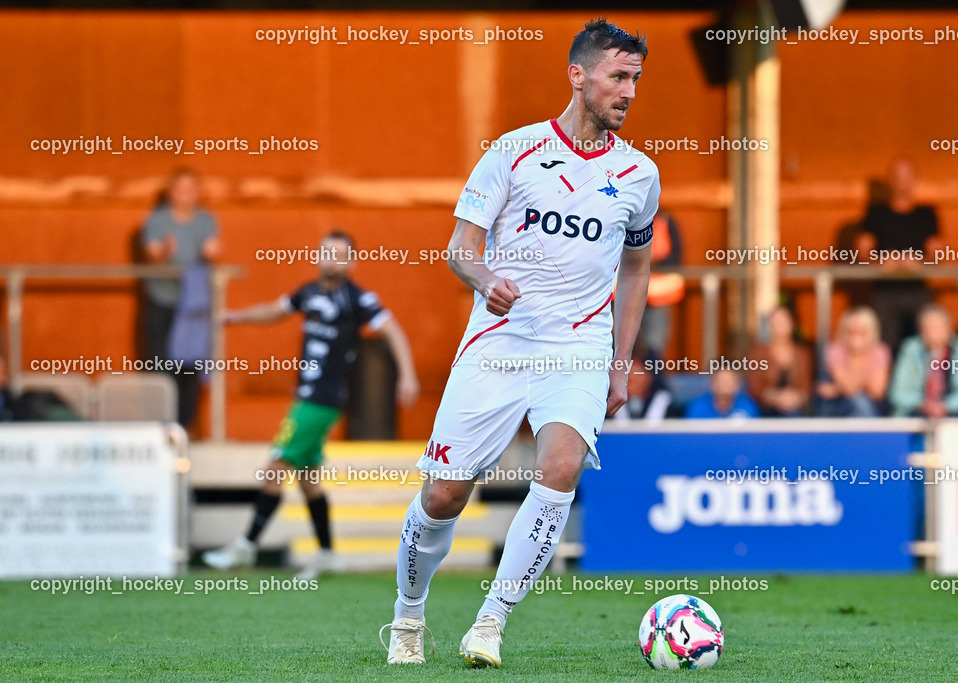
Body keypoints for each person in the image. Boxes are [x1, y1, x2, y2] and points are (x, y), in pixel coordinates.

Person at [380, 19, 659, 668]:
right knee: (445, 494)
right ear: (578, 75)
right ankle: (407, 615)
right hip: (500, 343)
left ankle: (490, 622)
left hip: (579, 349)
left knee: (559, 468)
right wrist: (485, 278)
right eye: (618, 77)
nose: (629, 92)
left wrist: (620, 363)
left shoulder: (641, 175)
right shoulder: (512, 151)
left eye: (636, 80)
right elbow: (460, 249)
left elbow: (638, 267)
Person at [202, 231, 419, 580]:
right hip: (306, 395)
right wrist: (237, 317)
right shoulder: (309, 293)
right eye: (326, 252)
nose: (332, 258)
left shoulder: (357, 299)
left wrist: (407, 376)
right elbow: (274, 311)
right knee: (307, 479)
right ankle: (328, 553)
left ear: (352, 261)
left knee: (276, 464)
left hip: (322, 400)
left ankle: (247, 544)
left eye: (340, 253)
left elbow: (393, 331)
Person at [142, 168, 221, 429]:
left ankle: (186, 424)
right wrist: (166, 250)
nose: (186, 195)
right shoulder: (158, 220)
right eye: (180, 189)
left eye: (191, 189)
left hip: (193, 306)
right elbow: (152, 255)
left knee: (190, 365)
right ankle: (162, 423)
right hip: (163, 300)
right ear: (170, 193)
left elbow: (213, 251)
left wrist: (212, 254)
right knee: (161, 363)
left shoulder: (206, 221)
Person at [855, 160, 943, 353]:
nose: (902, 182)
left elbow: (937, 254)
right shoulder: (876, 213)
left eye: (907, 177)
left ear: (914, 180)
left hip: (917, 290)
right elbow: (862, 253)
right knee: (885, 346)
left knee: (927, 342)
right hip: (885, 291)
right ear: (890, 181)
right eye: (897, 177)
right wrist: (881, 263)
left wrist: (919, 263)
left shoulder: (926, 214)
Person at [889, 304, 958, 417]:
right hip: (916, 413)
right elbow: (898, 394)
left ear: (949, 328)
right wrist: (923, 404)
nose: (934, 332)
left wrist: (945, 406)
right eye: (929, 327)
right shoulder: (910, 350)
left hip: (953, 415)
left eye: (939, 327)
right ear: (921, 330)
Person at [816, 307, 891, 417]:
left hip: (872, 407)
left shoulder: (880, 351)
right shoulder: (834, 350)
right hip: (838, 407)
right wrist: (855, 354)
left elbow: (877, 391)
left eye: (861, 331)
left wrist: (836, 389)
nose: (855, 335)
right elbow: (849, 387)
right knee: (858, 400)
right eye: (851, 331)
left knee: (860, 401)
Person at [747, 307, 813, 416]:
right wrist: (775, 398)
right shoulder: (757, 353)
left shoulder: (802, 354)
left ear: (791, 324)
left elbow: (806, 387)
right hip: (766, 408)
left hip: (794, 407)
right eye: (775, 324)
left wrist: (795, 398)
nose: (779, 328)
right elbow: (755, 387)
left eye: (782, 323)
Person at [638, 209, 684, 358]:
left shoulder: (665, 221)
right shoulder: (621, 219)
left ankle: (654, 374)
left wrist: (654, 261)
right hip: (625, 293)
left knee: (655, 342)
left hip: (658, 293)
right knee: (623, 340)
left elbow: (676, 256)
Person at [684, 368, 760, 419]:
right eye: (721, 381)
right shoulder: (697, 407)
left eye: (730, 381)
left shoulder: (748, 406)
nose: (725, 384)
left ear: (737, 385)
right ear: (713, 384)